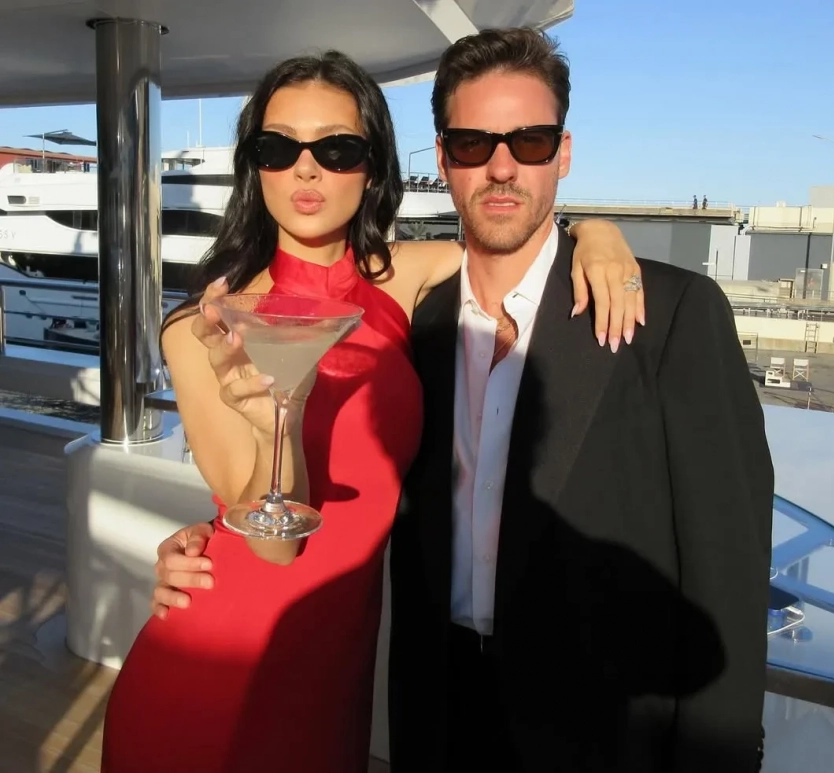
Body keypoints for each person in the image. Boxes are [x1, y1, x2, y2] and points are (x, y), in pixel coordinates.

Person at [102, 48, 641, 773]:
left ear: (373, 166)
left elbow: (517, 241)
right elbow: (274, 546)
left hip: (335, 675)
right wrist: (273, 424)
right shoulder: (206, 328)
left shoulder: (401, 277)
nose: (306, 170)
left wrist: (597, 233)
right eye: (278, 148)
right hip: (220, 664)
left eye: (336, 149)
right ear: (255, 167)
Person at [387, 28, 774, 772]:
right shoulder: (418, 322)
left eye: (529, 141)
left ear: (562, 154)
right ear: (442, 159)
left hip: (602, 737)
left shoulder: (673, 315)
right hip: (441, 718)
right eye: (472, 144)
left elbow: (727, 565)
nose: (502, 167)